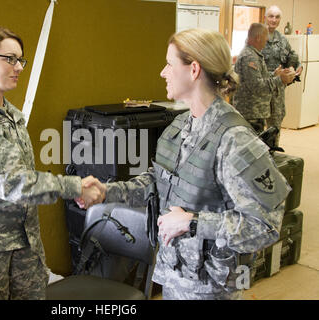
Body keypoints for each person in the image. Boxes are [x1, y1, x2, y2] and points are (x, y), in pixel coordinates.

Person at [81, 28, 291, 300]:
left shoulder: (234, 140)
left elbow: (266, 226)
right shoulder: (180, 126)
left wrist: (193, 223)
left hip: (211, 288)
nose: (162, 72)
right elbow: (156, 182)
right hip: (174, 275)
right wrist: (107, 192)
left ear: (193, 70)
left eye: (169, 64)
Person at [0, 26, 104, 300]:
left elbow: (22, 175)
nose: (18, 67)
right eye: (9, 59)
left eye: (20, 60)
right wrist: (74, 187)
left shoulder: (10, 114)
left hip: (23, 239)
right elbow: (10, 182)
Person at [233, 23, 294, 133]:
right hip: (250, 114)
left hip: (255, 113)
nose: (266, 41)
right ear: (258, 38)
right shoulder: (249, 57)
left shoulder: (254, 54)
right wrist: (280, 80)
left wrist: (275, 74)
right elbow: (257, 86)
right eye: (265, 38)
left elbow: (259, 77)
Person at [262, 5, 302, 145]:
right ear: (265, 17)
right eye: (271, 16)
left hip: (278, 90)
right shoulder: (256, 38)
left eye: (277, 17)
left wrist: (296, 66)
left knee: (276, 122)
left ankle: (272, 152)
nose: (274, 20)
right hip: (261, 88)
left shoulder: (282, 39)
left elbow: (292, 56)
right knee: (256, 124)